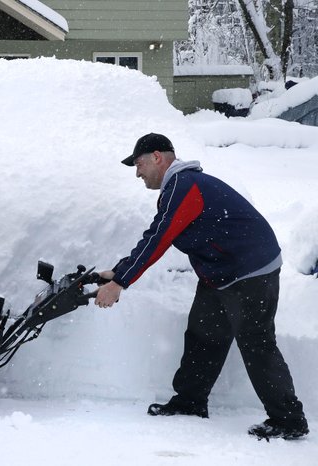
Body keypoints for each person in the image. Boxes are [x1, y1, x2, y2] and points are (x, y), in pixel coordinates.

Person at [95, 133, 309, 441]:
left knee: (257, 343)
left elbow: (159, 239)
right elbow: (157, 234)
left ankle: (289, 420)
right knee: (203, 334)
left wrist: (119, 283)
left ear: (158, 157)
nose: (137, 172)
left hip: (250, 270)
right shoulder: (179, 188)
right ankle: (190, 401)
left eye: (139, 164)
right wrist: (117, 271)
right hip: (222, 272)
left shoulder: (185, 187)